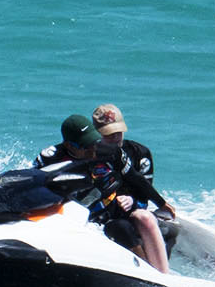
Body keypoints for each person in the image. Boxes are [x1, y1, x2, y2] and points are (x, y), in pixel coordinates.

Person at [35, 113, 171, 273]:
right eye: (86, 146)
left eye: (93, 142)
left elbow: (135, 177)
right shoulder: (50, 157)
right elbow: (33, 182)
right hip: (73, 214)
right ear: (69, 145)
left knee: (122, 228)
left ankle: (152, 275)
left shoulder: (110, 151)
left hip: (108, 211)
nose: (93, 149)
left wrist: (162, 203)